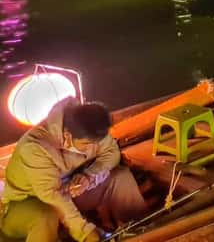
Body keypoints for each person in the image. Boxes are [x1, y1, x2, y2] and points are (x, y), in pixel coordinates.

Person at [0, 100, 148, 242]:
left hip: (66, 191)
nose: (92, 148)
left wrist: (88, 176)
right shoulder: (34, 147)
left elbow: (111, 152)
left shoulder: (87, 124)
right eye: (86, 144)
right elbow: (52, 195)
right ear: (67, 136)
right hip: (27, 203)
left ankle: (143, 229)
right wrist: (85, 232)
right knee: (45, 215)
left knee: (120, 177)